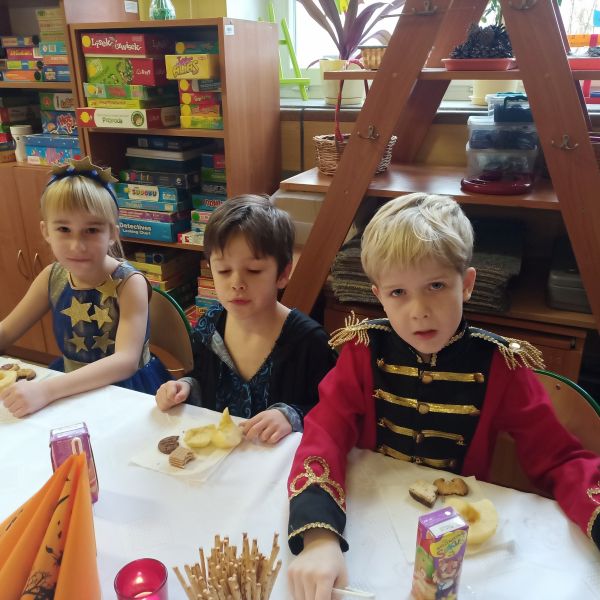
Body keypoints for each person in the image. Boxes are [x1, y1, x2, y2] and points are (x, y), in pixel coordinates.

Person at [286, 193, 600, 599]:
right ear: (378, 295)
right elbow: (324, 435)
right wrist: (319, 536)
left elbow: (560, 458)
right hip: (367, 522)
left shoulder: (500, 364)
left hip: (458, 543)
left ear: (466, 284)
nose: (419, 310)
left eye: (435, 286)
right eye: (398, 293)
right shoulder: (363, 351)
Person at [155, 195, 337, 444]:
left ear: (283, 274)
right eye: (223, 270)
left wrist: (290, 416)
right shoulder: (210, 326)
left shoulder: (309, 342)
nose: (237, 283)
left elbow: (332, 412)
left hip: (278, 463)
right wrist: (185, 387)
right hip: (219, 459)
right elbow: (202, 379)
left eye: (253, 271)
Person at [0, 157, 171, 418]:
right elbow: (7, 330)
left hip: (128, 391)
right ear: (46, 231)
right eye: (64, 229)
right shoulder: (52, 277)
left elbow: (125, 361)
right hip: (71, 386)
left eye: (91, 230)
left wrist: (46, 391)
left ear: (112, 233)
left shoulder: (129, 283)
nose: (77, 245)